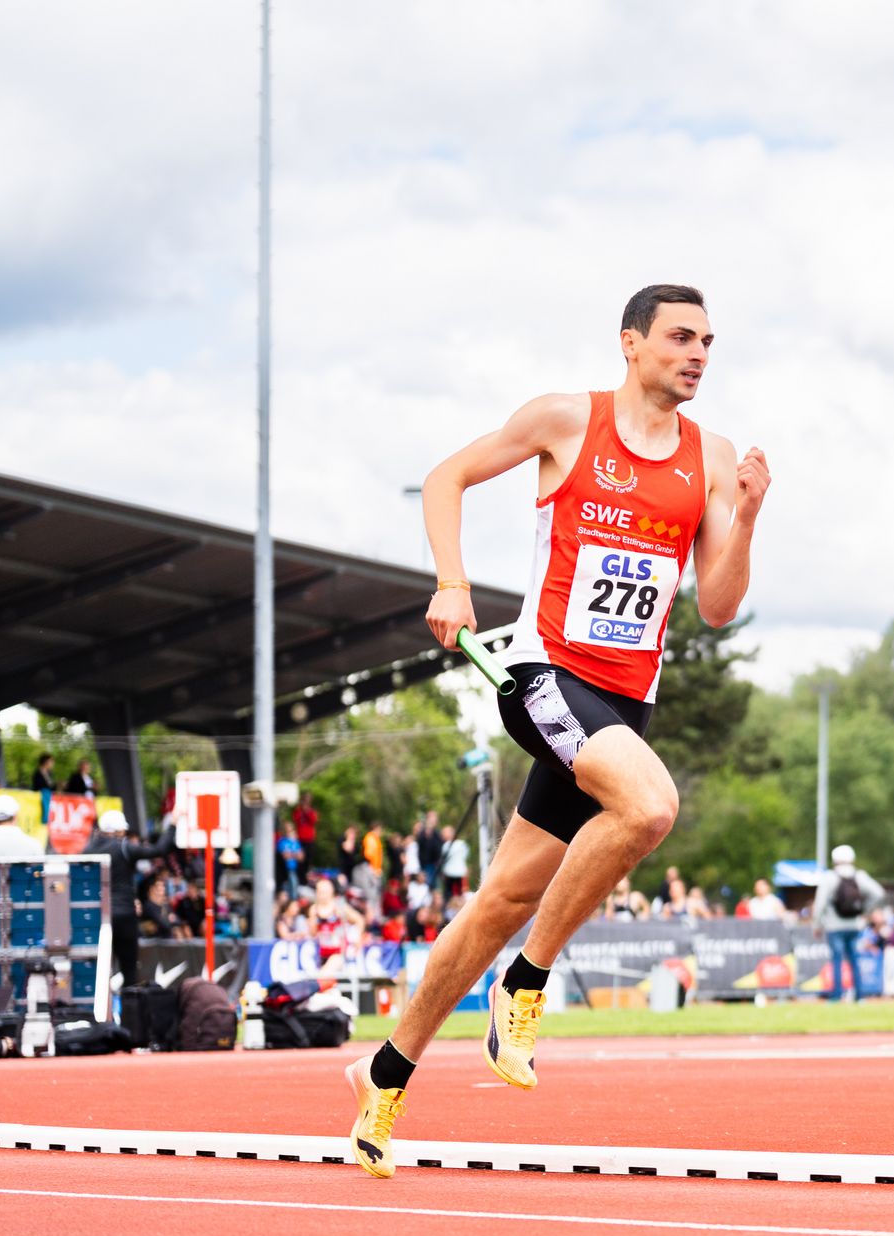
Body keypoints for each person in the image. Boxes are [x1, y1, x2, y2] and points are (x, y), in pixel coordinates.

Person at [346, 283, 769, 1178]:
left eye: (708, 341)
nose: (698, 353)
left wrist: (750, 518)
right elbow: (446, 476)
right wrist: (451, 581)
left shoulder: (713, 457)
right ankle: (526, 985)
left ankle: (383, 1075)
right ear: (631, 343)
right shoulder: (564, 421)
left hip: (625, 703)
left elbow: (721, 607)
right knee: (650, 807)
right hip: (544, 676)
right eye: (680, 337)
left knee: (498, 900)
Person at [82, 809, 159, 991]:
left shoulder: (89, 849)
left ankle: (97, 1015)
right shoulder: (124, 847)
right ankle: (130, 1014)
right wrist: (173, 825)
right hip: (124, 915)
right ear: (118, 831)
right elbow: (158, 850)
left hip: (96, 915)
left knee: (98, 969)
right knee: (129, 971)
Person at [817, 845, 884, 1002]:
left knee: (837, 961)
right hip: (854, 925)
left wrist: (817, 924)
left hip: (834, 926)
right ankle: (859, 996)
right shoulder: (859, 876)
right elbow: (879, 893)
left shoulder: (830, 877)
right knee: (855, 960)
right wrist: (865, 911)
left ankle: (836, 996)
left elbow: (820, 903)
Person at [440, 824, 469, 898]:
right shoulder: (462, 844)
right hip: (457, 872)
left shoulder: (446, 845)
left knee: (450, 893)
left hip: (451, 872)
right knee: (458, 893)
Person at [293, 793, 321, 864]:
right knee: (299, 860)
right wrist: (301, 810)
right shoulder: (298, 811)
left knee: (308, 859)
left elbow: (314, 821)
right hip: (299, 839)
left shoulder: (312, 811)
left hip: (309, 839)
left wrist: (307, 812)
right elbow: (296, 820)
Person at [29, 754, 54, 822]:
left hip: (47, 796)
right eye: (51, 761)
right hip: (39, 796)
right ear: (46, 761)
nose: (52, 763)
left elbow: (51, 785)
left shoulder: (49, 773)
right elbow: (38, 785)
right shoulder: (38, 772)